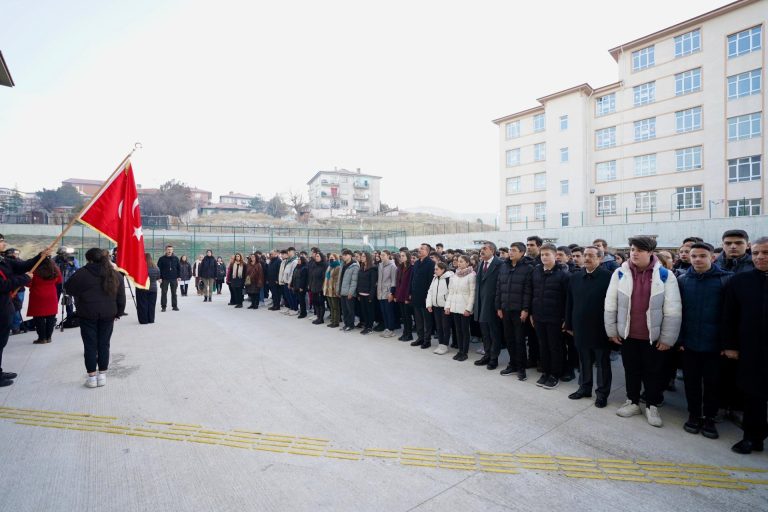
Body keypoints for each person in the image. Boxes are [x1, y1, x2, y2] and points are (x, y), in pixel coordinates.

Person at [604, 236, 682, 428]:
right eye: (632, 249)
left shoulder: (664, 275)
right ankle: (632, 401)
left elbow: (672, 309)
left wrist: (667, 338)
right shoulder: (620, 273)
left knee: (653, 372)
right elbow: (610, 303)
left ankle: (652, 405)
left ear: (650, 253)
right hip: (628, 334)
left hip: (653, 337)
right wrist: (612, 330)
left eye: (639, 250)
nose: (634, 253)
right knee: (631, 370)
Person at [676, 242, 732, 439]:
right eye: (694, 256)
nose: (697, 259)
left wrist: (727, 344)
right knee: (691, 382)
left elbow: (730, 315)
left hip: (715, 345)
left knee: (712, 384)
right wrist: (680, 340)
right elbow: (678, 313)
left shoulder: (726, 279)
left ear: (712, 257)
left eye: (702, 256)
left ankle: (709, 418)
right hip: (689, 343)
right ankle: (693, 415)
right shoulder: (682, 280)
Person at [723, 236, 768, 454]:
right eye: (757, 252)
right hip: (751, 349)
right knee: (753, 396)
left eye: (765, 253)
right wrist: (730, 345)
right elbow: (729, 317)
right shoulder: (740, 281)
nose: (760, 257)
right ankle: (752, 437)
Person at [64, 248, 126, 388]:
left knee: (90, 344)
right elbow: (121, 296)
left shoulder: (82, 273)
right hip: (108, 313)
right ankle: (102, 375)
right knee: (104, 343)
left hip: (87, 313)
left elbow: (68, 288)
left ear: (88, 259)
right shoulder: (114, 274)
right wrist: (118, 312)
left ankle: (92, 377)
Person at [565, 246, 612, 407]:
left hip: (601, 328)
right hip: (580, 326)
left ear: (600, 258)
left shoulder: (609, 277)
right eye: (585, 255)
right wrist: (569, 323)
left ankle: (602, 394)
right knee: (583, 360)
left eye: (591, 255)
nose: (587, 258)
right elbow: (569, 303)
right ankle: (584, 388)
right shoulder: (575, 277)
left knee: (602, 363)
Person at [0, 237, 50, 386]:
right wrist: (24, 279)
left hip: (5, 307)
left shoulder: (4, 261)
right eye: (0, 241)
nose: (3, 243)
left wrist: (40, 256)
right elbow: (2, 286)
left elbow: (23, 265)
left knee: (1, 343)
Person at [530, 243, 570, 389]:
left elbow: (568, 299)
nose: (544, 257)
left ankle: (555, 374)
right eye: (542, 255)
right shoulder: (536, 271)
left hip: (555, 318)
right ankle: (545, 372)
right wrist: (532, 313)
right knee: (543, 345)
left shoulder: (563, 274)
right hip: (539, 316)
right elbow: (532, 293)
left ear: (555, 256)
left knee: (555, 347)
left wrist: (566, 319)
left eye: (547, 254)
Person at [495, 242, 534, 380]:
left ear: (522, 253)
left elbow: (528, 291)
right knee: (509, 339)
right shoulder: (504, 266)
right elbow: (499, 288)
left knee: (519, 340)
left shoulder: (528, 268)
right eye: (510, 250)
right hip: (505, 309)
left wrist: (525, 309)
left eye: (514, 250)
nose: (511, 252)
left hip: (519, 311)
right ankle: (512, 364)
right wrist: (498, 306)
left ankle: (521, 368)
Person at [474, 241, 503, 370]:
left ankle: (494, 358)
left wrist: (499, 306)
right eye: (481, 249)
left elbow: (501, 286)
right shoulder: (481, 263)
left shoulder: (500, 264)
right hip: (481, 303)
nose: (482, 251)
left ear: (492, 250)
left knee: (494, 333)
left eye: (484, 248)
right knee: (485, 332)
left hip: (492, 304)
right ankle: (487, 354)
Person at [445, 254, 475, 362]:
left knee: (465, 330)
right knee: (458, 330)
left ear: (467, 263)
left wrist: (469, 308)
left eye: (462, 261)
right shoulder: (455, 275)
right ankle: (460, 350)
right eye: (458, 261)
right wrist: (448, 306)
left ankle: (464, 352)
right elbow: (451, 292)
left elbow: (472, 293)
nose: (459, 263)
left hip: (464, 306)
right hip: (455, 306)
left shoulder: (471, 275)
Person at [26, 256, 62, 344]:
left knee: (39, 318)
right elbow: (59, 281)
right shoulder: (55, 269)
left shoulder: (35, 270)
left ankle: (42, 338)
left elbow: (28, 284)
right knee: (51, 317)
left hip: (37, 296)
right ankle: (48, 337)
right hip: (51, 295)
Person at [410, 244, 436, 349]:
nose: (419, 250)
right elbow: (413, 279)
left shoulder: (431, 264)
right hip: (416, 295)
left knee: (427, 320)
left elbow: (431, 282)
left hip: (425, 296)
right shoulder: (416, 263)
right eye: (419, 248)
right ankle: (420, 338)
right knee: (418, 319)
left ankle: (427, 340)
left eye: (422, 249)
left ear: (427, 251)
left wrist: (428, 296)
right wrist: (411, 292)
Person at [426, 262, 454, 354]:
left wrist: (448, 306)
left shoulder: (449, 278)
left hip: (444, 307)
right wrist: (429, 304)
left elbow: (451, 293)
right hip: (436, 306)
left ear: (443, 269)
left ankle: (445, 345)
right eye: (435, 269)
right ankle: (440, 344)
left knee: (445, 327)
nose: (435, 271)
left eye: (437, 269)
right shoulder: (435, 278)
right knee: (439, 327)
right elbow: (430, 291)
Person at [395, 248, 414, 342]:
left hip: (406, 295)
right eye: (400, 256)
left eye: (403, 256)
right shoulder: (400, 267)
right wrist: (396, 295)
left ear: (408, 257)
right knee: (403, 315)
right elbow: (398, 282)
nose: (401, 257)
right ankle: (405, 333)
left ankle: (409, 334)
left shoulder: (411, 268)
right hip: (399, 294)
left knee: (407, 316)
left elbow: (410, 284)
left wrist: (408, 296)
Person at [377, 250, 398, 337]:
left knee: (389, 312)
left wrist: (391, 293)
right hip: (380, 292)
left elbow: (394, 281)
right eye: (381, 255)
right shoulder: (380, 265)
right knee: (384, 311)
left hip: (388, 292)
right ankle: (386, 328)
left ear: (388, 255)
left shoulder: (393, 266)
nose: (381, 257)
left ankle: (391, 329)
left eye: (383, 255)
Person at [136, 253, 160, 324]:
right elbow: (158, 277)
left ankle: (144, 320)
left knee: (142, 304)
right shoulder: (156, 267)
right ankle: (151, 319)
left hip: (142, 288)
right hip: (153, 288)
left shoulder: (140, 267)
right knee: (151, 305)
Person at [356, 252, 377, 334]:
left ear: (368, 258)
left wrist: (371, 296)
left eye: (364, 256)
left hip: (368, 294)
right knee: (364, 311)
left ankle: (370, 327)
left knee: (370, 311)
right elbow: (359, 281)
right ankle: (366, 325)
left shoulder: (373, 269)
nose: (362, 257)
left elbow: (373, 284)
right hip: (361, 293)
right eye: (362, 256)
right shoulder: (361, 268)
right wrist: (358, 293)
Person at [338, 249, 359, 332]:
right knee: (344, 310)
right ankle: (346, 324)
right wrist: (338, 290)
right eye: (343, 255)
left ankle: (351, 325)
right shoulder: (342, 265)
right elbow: (340, 279)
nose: (343, 256)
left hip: (349, 292)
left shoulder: (354, 266)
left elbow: (354, 281)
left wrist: (351, 292)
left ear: (350, 255)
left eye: (345, 255)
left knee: (350, 310)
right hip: (342, 291)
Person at [157, 245, 180, 311]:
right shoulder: (161, 259)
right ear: (166, 250)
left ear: (172, 250)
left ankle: (174, 306)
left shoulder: (176, 258)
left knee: (174, 293)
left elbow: (179, 268)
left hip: (174, 278)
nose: (169, 251)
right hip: (164, 279)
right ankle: (163, 307)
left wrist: (179, 276)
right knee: (164, 293)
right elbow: (159, 269)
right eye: (168, 249)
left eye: (171, 249)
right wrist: (159, 277)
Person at [323, 253, 342, 328]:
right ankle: (333, 320)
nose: (331, 259)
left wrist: (336, 290)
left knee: (335, 307)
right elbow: (326, 278)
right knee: (331, 306)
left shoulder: (338, 267)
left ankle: (336, 322)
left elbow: (337, 280)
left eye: (332, 258)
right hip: (328, 289)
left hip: (333, 290)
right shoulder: (329, 266)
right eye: (330, 258)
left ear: (336, 259)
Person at [309, 252, 328, 324]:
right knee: (315, 303)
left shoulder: (324, 265)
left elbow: (324, 278)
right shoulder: (314, 265)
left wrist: (322, 288)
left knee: (321, 303)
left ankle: (321, 319)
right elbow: (312, 276)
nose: (316, 257)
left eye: (318, 256)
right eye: (316, 256)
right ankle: (318, 317)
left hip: (320, 288)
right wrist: (310, 285)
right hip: (314, 287)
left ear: (321, 257)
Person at [281, 248, 299, 315]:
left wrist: (289, 282)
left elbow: (292, 273)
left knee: (292, 296)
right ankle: (291, 308)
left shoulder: (295, 261)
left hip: (290, 282)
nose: (288, 252)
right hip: (286, 281)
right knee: (288, 296)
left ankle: (295, 309)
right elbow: (286, 271)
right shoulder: (289, 260)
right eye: (287, 251)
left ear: (293, 252)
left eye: (289, 251)